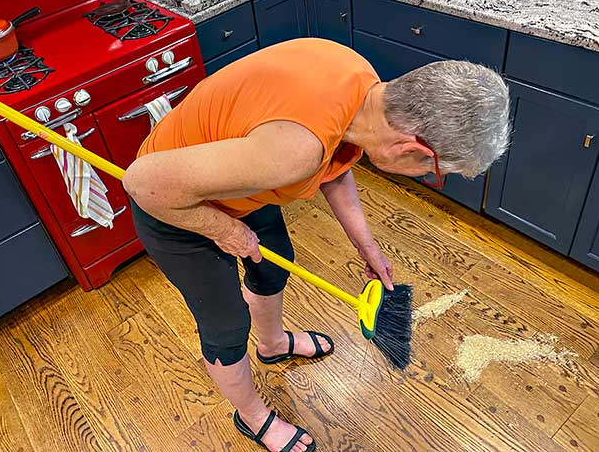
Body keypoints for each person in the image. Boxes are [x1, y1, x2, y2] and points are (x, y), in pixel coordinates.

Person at [123, 38, 510, 452]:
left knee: (274, 264)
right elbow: (141, 183)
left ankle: (272, 346)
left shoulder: (361, 82)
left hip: (239, 169)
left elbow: (334, 165)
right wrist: (223, 229)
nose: (429, 177)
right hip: (174, 200)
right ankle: (252, 416)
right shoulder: (293, 152)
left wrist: (367, 246)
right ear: (411, 149)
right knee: (226, 325)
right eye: (434, 171)